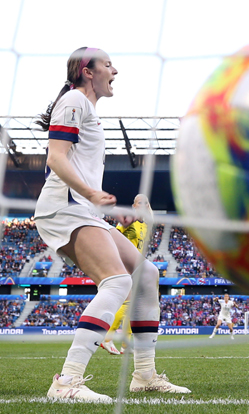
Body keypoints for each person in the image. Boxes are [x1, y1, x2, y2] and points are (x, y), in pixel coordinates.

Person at [34, 47, 189, 402]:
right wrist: (91, 192)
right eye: (107, 64)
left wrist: (99, 202)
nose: (114, 70)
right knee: (118, 280)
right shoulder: (74, 100)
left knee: (146, 274)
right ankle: (66, 382)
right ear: (88, 72)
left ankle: (145, 375)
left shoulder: (85, 109)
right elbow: (55, 158)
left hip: (82, 210)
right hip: (64, 209)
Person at [100, 194, 155, 356]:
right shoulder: (128, 220)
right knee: (128, 303)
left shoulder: (144, 225)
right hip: (126, 266)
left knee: (134, 306)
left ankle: (126, 344)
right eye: (140, 202)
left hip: (138, 266)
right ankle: (108, 338)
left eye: (146, 202)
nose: (143, 205)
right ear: (134, 205)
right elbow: (112, 237)